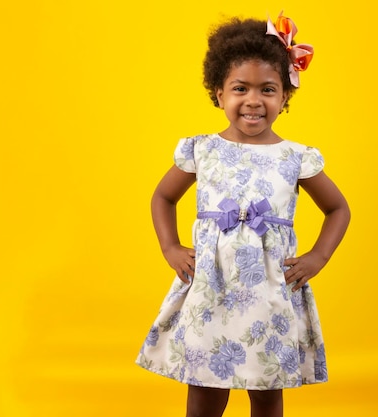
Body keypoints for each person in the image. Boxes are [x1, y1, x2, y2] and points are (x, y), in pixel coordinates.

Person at [136, 12, 350, 417]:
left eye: (268, 89)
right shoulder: (201, 150)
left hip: (269, 292)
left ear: (285, 97)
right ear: (219, 93)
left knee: (267, 388)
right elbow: (163, 197)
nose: (253, 100)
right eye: (240, 88)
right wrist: (170, 246)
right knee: (204, 386)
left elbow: (338, 208)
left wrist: (318, 257)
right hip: (211, 289)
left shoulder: (296, 157)